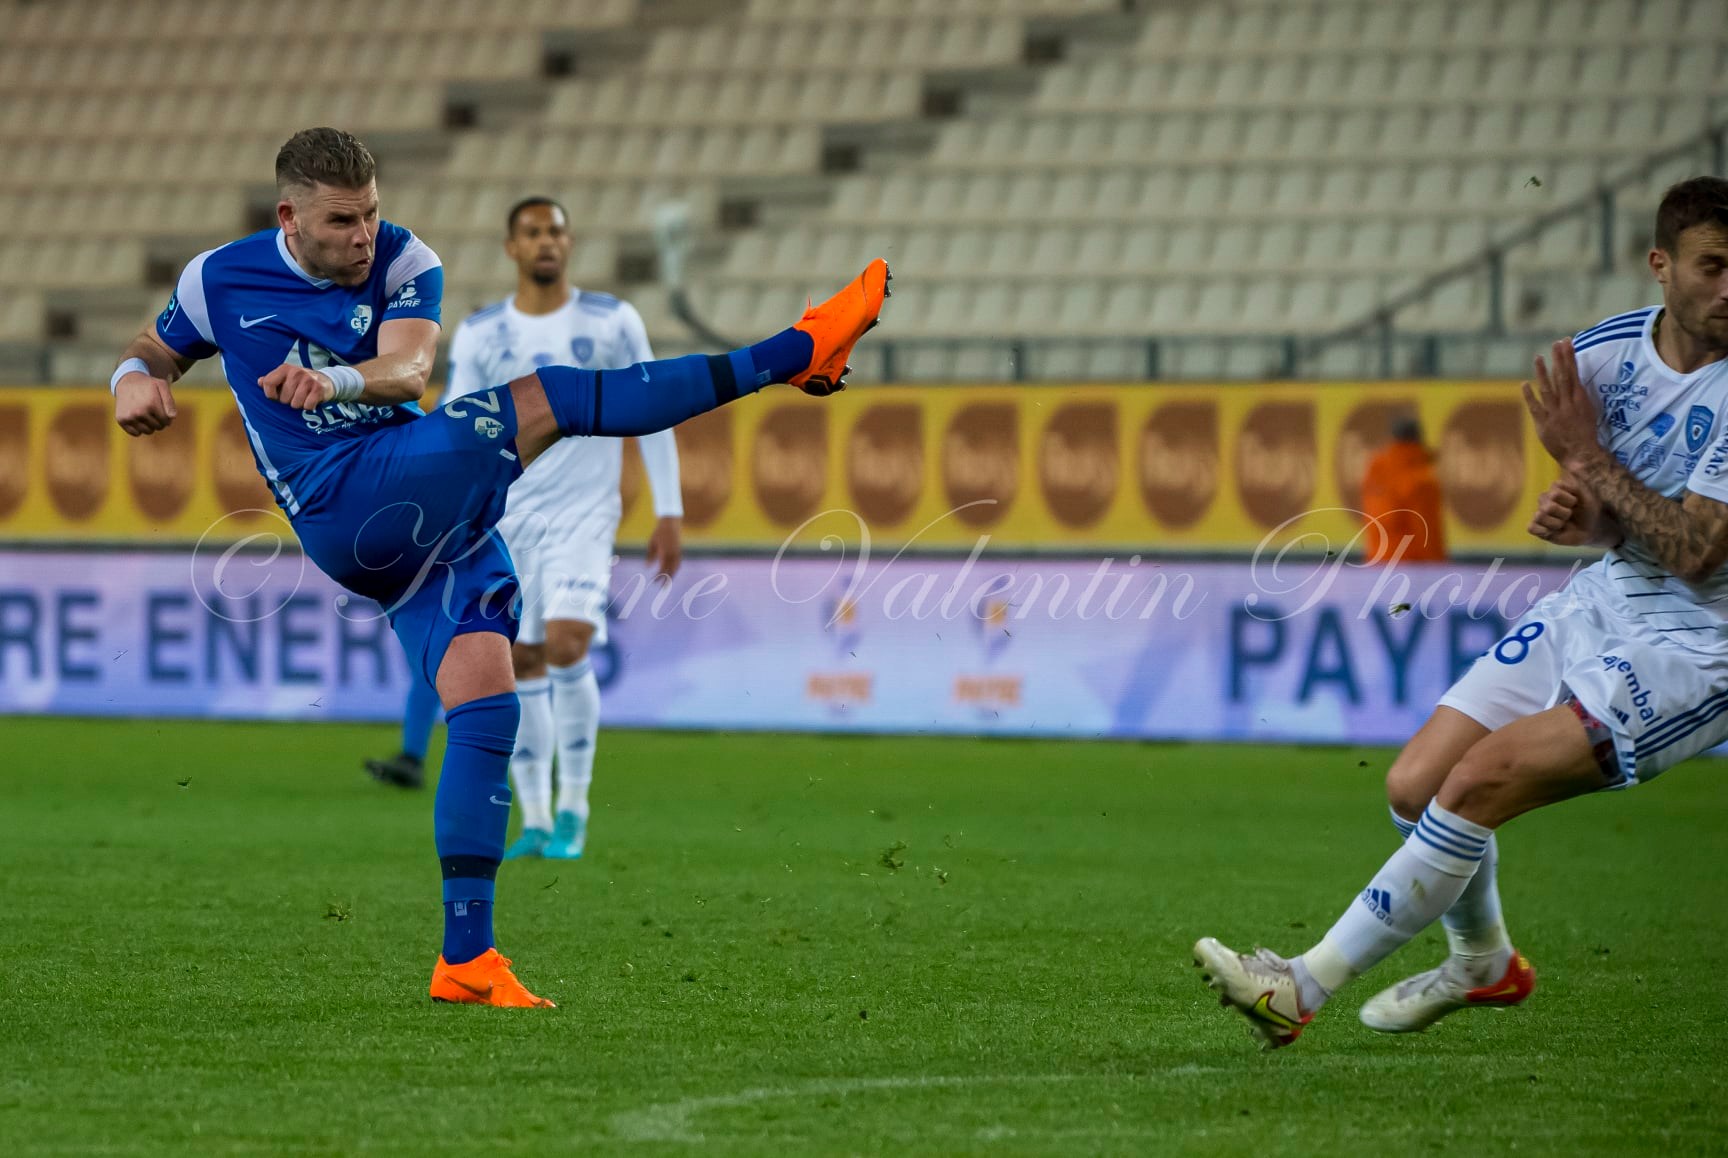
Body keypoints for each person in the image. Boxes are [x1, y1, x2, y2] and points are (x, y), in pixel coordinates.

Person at [112, 127, 889, 1008]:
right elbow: (156, 345)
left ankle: (466, 960)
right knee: (553, 398)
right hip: (345, 503)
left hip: (415, 503)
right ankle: (793, 354)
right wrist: (130, 378)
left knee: (486, 710)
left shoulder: (405, 260)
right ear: (289, 216)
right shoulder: (218, 277)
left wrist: (335, 383)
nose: (364, 235)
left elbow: (409, 370)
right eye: (341, 221)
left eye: (371, 213)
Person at [1194, 175, 1728, 1048]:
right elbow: (1617, 507)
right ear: (1661, 267)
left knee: (1478, 784)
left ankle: (1300, 987)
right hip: (1603, 602)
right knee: (1413, 785)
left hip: (1699, 643)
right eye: (1714, 267)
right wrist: (1585, 512)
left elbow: (1702, 550)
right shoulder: (1601, 358)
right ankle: (1482, 959)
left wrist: (1589, 464)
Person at [365, 197, 685, 870]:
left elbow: (653, 409)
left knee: (568, 646)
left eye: (557, 232)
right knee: (527, 661)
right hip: (510, 516)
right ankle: (536, 817)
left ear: (570, 244)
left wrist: (668, 509)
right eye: (533, 232)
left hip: (585, 515)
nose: (547, 242)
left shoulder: (612, 321)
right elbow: (460, 425)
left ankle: (576, 810)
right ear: (512, 247)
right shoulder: (483, 334)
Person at [1360, 415, 1447, 564]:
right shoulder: (1421, 479)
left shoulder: (1375, 471)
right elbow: (1427, 533)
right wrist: (1439, 569)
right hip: (1414, 568)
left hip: (1376, 564)